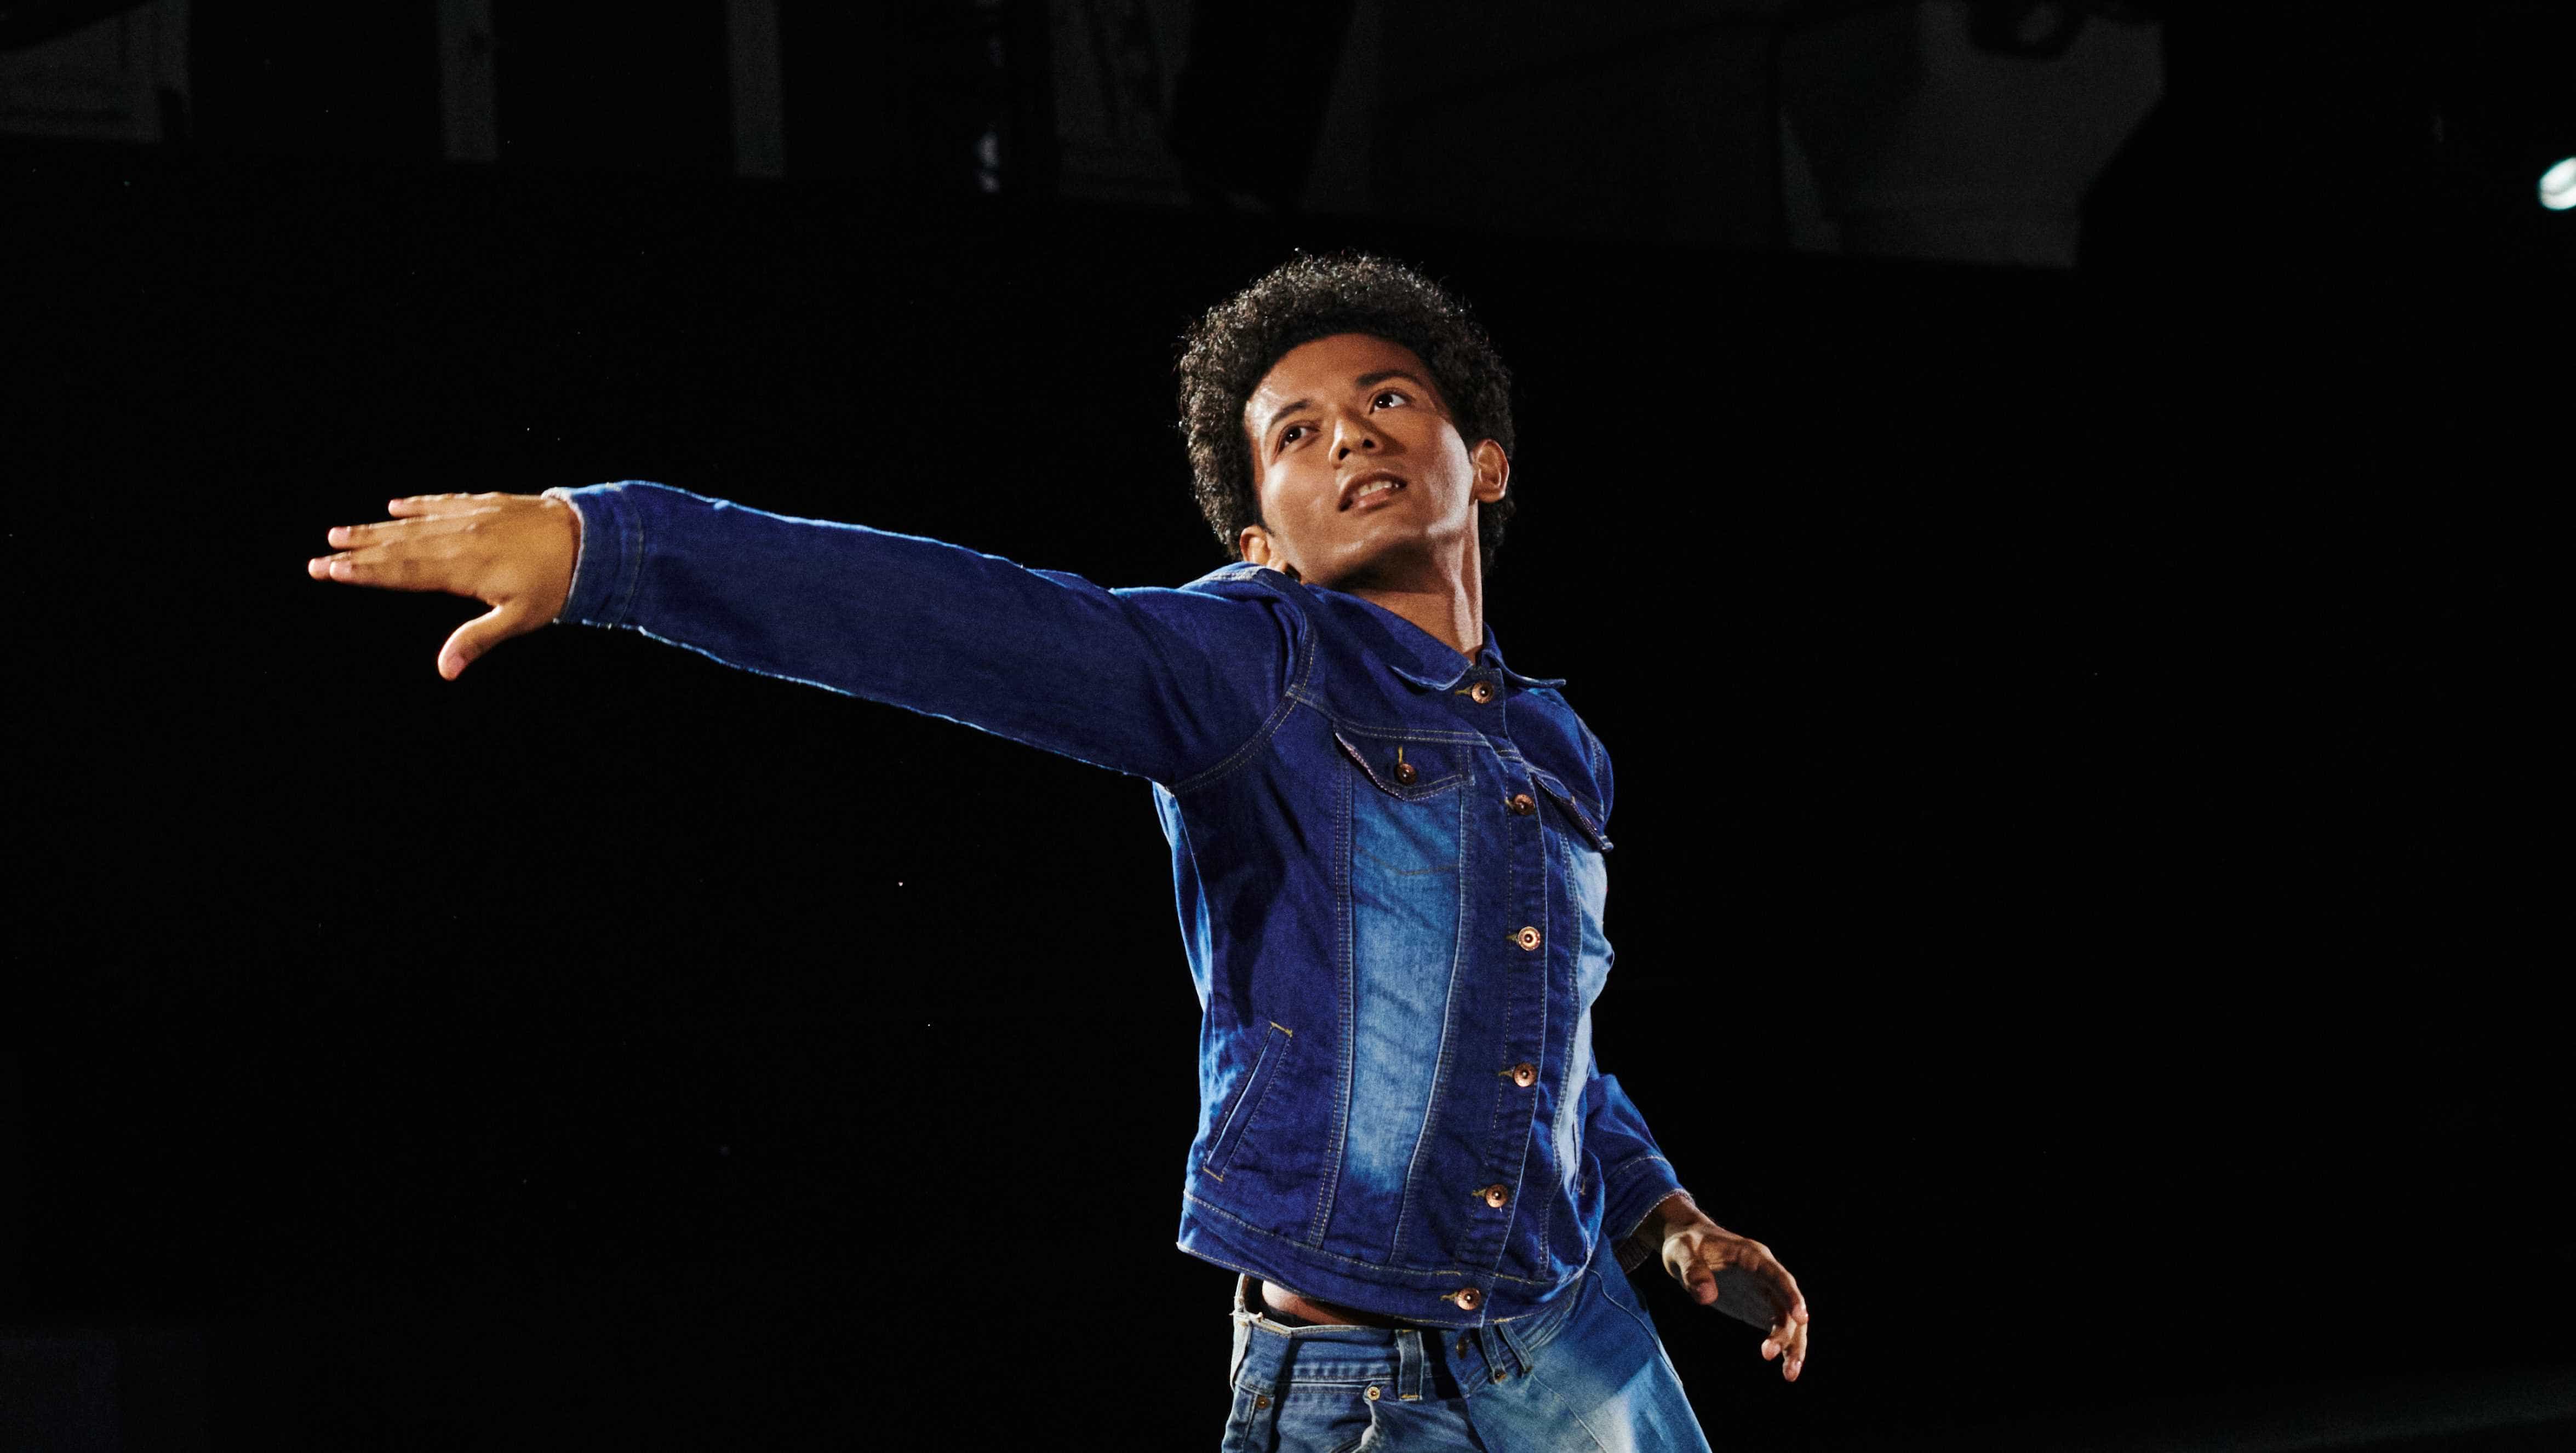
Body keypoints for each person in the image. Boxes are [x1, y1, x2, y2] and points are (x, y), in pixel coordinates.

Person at [307, 250, 1810, 1450]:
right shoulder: (1254, 665)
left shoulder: (1556, 744)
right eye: (1296, 433)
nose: (1350, 431)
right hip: (1367, 1380)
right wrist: (616, 549)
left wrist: (1665, 1217)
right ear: (1260, 544)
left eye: (1387, 400)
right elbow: (968, 624)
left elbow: (1542, 1038)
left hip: (1579, 1342)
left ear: (1482, 465)